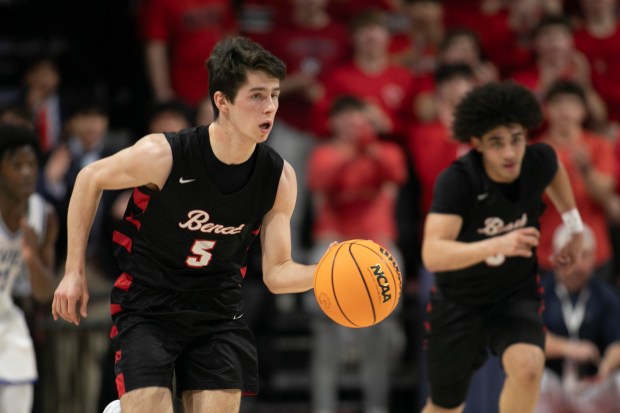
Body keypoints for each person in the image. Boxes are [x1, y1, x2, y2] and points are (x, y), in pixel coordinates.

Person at [51, 36, 326, 413]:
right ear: (222, 102)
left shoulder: (278, 178)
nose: (271, 107)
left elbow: (277, 273)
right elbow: (89, 178)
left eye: (275, 95)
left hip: (217, 309)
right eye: (258, 96)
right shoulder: (164, 154)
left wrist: (328, 273)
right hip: (149, 304)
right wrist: (72, 272)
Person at [420, 81, 584, 413]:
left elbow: (554, 171)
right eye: (497, 143)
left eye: (516, 140)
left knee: (528, 368)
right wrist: (499, 243)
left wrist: (575, 225)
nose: (510, 153)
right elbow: (432, 254)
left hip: (514, 296)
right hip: (458, 303)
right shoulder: (458, 181)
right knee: (445, 406)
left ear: (526, 134)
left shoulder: (538, 159)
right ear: (477, 143)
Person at [305, 95, 407, 413]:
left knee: (380, 333)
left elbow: (396, 174)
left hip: (377, 245)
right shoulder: (323, 153)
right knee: (325, 334)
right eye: (345, 117)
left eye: (357, 117)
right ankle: (324, 408)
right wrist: (354, 152)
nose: (351, 123)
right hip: (334, 244)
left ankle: (376, 407)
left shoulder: (387, 150)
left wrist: (371, 145)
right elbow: (325, 181)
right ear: (333, 122)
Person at [0, 124, 57, 413]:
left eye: (32, 164)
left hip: (8, 320)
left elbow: (45, 292)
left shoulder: (42, 214)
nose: (26, 172)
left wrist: (31, 257)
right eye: (16, 164)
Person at [535, 223, 620, 413]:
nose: (577, 265)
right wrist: (570, 348)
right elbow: (531, 339)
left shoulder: (607, 296)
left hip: (594, 386)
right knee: (531, 375)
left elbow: (617, 341)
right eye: (569, 256)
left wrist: (606, 365)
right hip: (555, 383)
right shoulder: (538, 293)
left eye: (584, 256)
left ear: (594, 258)